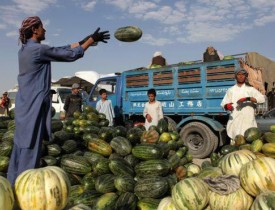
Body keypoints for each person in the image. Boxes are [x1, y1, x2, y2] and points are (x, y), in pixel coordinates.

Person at [7, 16, 110, 186]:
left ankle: (12, 185)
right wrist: (91, 40)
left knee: (20, 148)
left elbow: (58, 49)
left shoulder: (25, 50)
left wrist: (82, 41)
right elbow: (68, 55)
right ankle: (22, 189)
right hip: (34, 107)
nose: (45, 30)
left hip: (24, 105)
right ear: (35, 30)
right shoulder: (37, 50)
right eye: (42, 27)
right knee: (30, 150)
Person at [221, 68, 265, 141]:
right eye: (239, 74)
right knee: (235, 142)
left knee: (248, 143)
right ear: (235, 76)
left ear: (245, 76)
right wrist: (227, 106)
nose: (241, 76)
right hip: (235, 120)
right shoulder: (231, 90)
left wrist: (247, 99)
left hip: (248, 121)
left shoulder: (251, 89)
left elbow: (262, 99)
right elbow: (223, 104)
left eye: (243, 74)